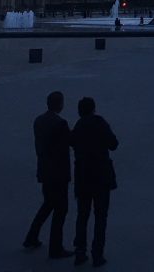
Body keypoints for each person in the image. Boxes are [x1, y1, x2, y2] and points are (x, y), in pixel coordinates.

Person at [23, 91, 73, 259]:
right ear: (60, 104)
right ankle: (55, 247)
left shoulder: (39, 121)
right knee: (60, 209)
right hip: (58, 172)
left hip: (44, 170)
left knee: (48, 204)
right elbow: (70, 142)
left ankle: (31, 236)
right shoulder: (60, 123)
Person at [71, 97, 119, 267]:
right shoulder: (100, 123)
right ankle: (97, 254)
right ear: (93, 109)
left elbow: (71, 142)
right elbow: (113, 144)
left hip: (83, 178)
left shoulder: (78, 126)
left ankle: (80, 251)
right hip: (101, 178)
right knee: (100, 217)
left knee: (82, 216)